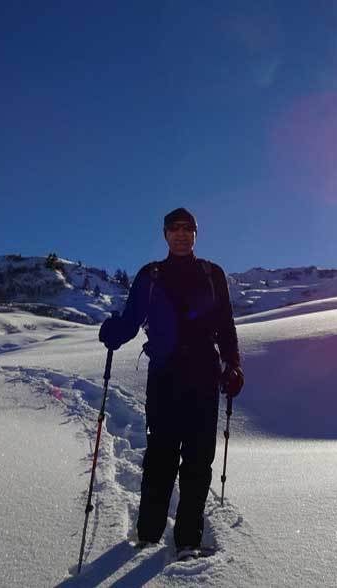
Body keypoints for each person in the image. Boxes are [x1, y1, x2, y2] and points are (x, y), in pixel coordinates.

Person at [98, 207, 244, 558]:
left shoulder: (212, 274)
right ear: (165, 235)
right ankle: (148, 534)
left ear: (196, 234)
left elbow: (225, 324)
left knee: (198, 459)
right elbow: (133, 319)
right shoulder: (151, 274)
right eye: (174, 229)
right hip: (164, 378)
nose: (181, 234)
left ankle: (188, 539)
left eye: (187, 229)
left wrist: (233, 364)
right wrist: (113, 332)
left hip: (205, 376)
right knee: (161, 457)